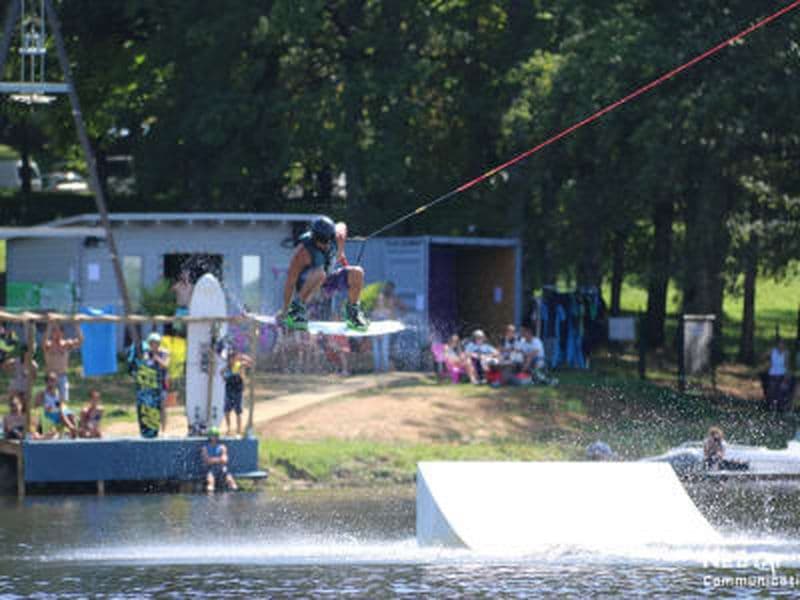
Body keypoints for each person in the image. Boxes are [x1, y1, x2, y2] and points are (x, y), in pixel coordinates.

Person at [280, 216, 369, 332]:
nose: (324, 245)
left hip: (327, 281)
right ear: (313, 237)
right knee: (320, 273)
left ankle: (352, 313)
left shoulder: (339, 236)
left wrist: (342, 256)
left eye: (327, 241)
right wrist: (285, 310)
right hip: (305, 284)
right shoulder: (303, 252)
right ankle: (296, 310)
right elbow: (290, 282)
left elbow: (342, 224)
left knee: (357, 272)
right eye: (320, 242)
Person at [127, 332, 169, 438]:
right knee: (149, 407)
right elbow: (144, 364)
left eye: (156, 343)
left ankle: (164, 430)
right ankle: (148, 429)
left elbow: (165, 365)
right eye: (152, 343)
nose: (154, 345)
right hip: (150, 386)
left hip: (161, 384)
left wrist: (156, 358)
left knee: (162, 406)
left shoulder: (164, 352)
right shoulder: (147, 353)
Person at [43, 316, 84, 404]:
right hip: (51, 377)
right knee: (50, 400)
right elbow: (44, 341)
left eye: (59, 331)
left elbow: (80, 341)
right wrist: (49, 325)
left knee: (63, 400)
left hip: (62, 375)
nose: (57, 334)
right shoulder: (49, 345)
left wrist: (76, 325)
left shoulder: (66, 344)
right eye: (54, 331)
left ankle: (62, 412)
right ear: (52, 333)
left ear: (62, 333)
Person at [371, 281, 405, 372]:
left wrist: (398, 319)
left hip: (387, 330)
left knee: (385, 349)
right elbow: (372, 321)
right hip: (377, 331)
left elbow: (401, 309)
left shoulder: (392, 300)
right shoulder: (375, 311)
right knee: (377, 350)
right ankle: (378, 368)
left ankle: (386, 367)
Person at [34, 370, 77, 438]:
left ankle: (73, 436)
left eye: (54, 380)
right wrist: (45, 406)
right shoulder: (42, 394)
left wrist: (60, 408)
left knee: (71, 416)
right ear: (46, 382)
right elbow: (36, 406)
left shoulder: (58, 394)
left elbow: (60, 406)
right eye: (50, 380)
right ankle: (71, 428)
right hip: (48, 413)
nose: (52, 383)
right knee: (61, 415)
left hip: (58, 412)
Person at [221, 350, 254, 436]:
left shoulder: (239, 365)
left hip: (237, 391)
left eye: (233, 358)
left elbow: (250, 363)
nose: (231, 360)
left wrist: (243, 357)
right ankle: (228, 428)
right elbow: (221, 372)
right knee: (227, 411)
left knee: (238, 411)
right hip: (229, 391)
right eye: (230, 358)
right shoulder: (227, 368)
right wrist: (224, 378)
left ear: (235, 358)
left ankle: (239, 429)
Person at [201, 426, 238, 493]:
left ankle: (234, 495)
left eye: (215, 435)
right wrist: (219, 459)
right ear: (209, 436)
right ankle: (210, 497)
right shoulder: (205, 448)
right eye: (212, 435)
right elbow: (207, 461)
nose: (214, 437)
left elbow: (225, 460)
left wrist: (213, 460)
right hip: (211, 469)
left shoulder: (222, 447)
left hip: (222, 468)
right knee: (210, 484)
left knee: (232, 483)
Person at [766, 337, 792, 411]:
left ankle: (780, 407)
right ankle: (771, 406)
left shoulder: (786, 352)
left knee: (781, 391)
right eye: (780, 343)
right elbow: (763, 357)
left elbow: (786, 364)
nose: (781, 345)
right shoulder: (772, 351)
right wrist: (768, 362)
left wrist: (787, 374)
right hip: (772, 374)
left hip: (782, 374)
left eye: (783, 343)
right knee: (772, 391)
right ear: (777, 344)